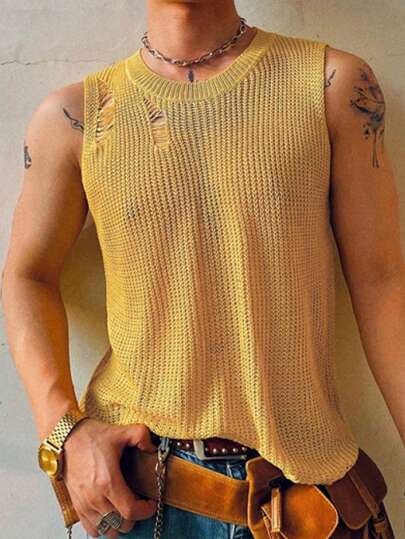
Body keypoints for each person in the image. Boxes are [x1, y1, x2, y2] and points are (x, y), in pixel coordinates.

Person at [1, 1, 403, 538]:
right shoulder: (76, 116)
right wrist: (63, 433)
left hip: (305, 496)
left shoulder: (332, 85)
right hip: (140, 496)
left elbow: (382, 282)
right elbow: (26, 275)